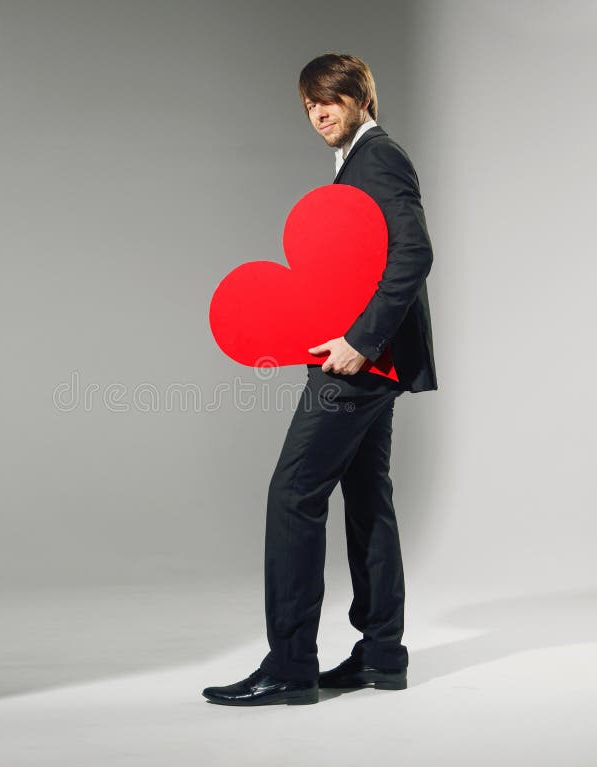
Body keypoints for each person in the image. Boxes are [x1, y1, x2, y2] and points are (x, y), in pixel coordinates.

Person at [202, 53, 438, 705]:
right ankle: (382, 653)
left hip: (361, 361)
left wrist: (360, 342)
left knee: (293, 492)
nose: (319, 112)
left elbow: (413, 252)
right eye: (309, 104)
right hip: (367, 358)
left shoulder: (378, 158)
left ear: (361, 97)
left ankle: (290, 665)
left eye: (330, 98)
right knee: (368, 497)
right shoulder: (353, 163)